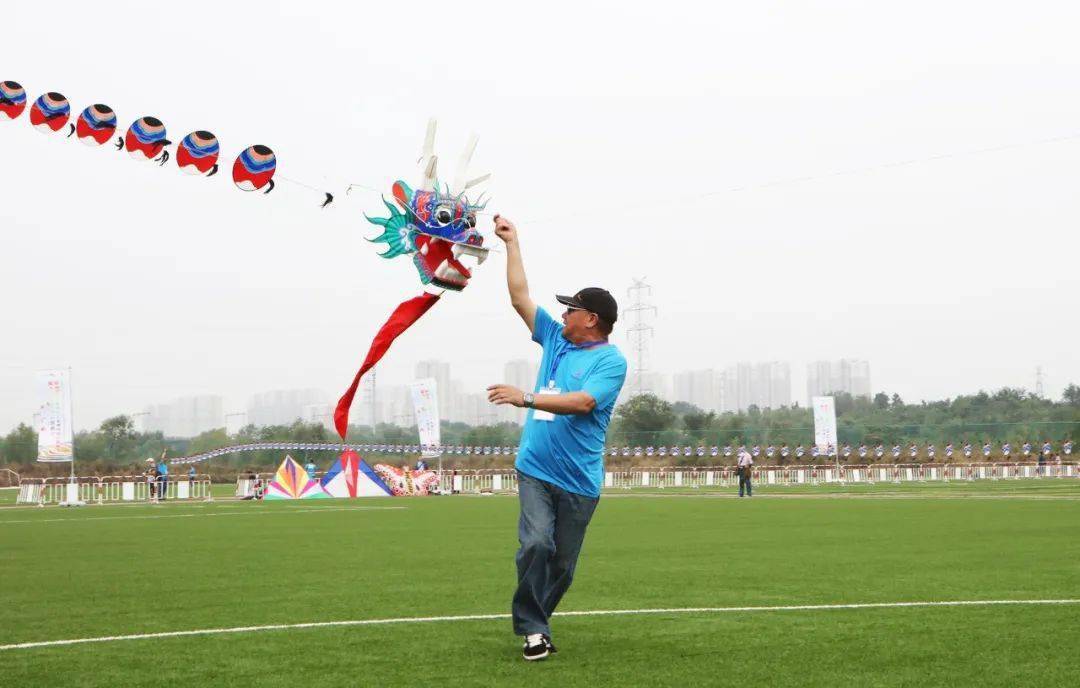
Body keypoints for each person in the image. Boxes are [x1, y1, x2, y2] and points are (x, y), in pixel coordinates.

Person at [486, 215, 627, 662]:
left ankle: (535, 624)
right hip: (535, 470)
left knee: (562, 568)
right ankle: (532, 631)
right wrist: (512, 243)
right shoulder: (555, 340)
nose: (561, 314)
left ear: (591, 319)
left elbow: (584, 403)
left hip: (580, 483)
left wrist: (526, 399)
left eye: (570, 309)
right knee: (536, 544)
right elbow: (518, 296)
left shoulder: (612, 362)